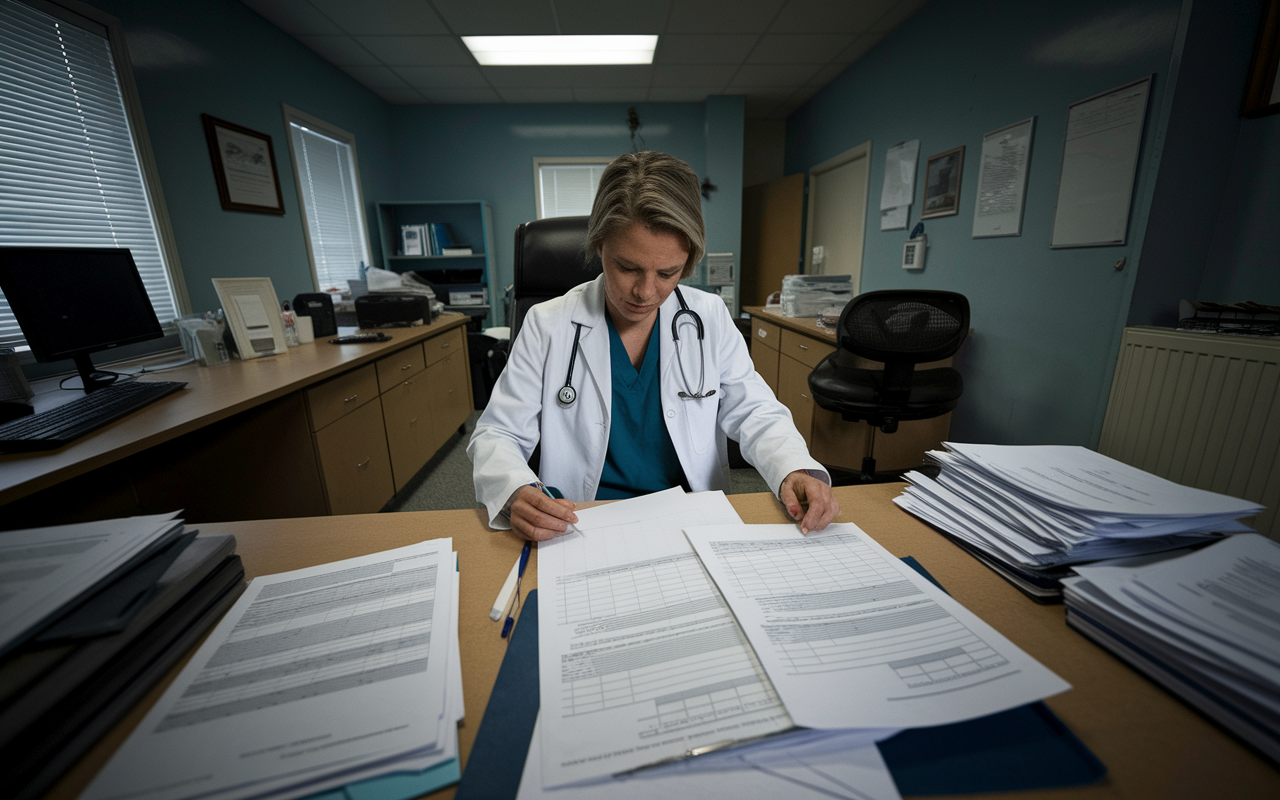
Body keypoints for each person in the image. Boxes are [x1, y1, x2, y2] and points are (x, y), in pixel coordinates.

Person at [468, 150, 838, 541]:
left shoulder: (707, 316)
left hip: (692, 520)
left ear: (690, 260)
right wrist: (514, 491)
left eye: (667, 273)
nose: (645, 292)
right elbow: (498, 434)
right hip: (582, 524)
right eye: (627, 267)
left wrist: (794, 467)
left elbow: (754, 410)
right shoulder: (547, 324)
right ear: (598, 246)